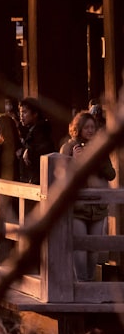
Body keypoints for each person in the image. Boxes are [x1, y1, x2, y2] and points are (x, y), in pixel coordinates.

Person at [61, 111, 114, 281]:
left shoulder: (100, 147)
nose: (90, 130)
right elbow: (60, 176)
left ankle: (89, 282)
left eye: (92, 127)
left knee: (94, 250)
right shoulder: (69, 147)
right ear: (78, 129)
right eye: (86, 127)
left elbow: (111, 174)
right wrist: (75, 161)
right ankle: (81, 282)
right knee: (80, 248)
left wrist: (97, 158)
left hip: (97, 207)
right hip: (77, 208)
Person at [18, 97, 56, 185]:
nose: (21, 116)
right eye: (20, 113)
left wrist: (30, 152)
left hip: (38, 182)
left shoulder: (41, 131)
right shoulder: (31, 131)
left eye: (24, 112)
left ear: (35, 114)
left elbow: (45, 151)